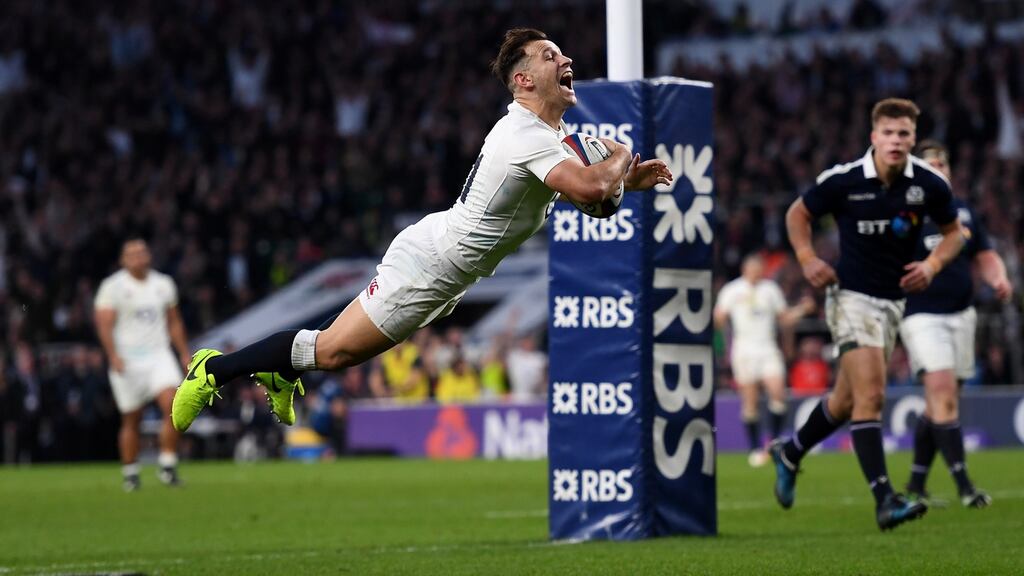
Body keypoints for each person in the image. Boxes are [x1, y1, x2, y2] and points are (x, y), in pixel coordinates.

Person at [171, 28, 673, 431]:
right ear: (522, 80)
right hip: (431, 265)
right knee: (333, 351)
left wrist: (625, 180)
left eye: (562, 55)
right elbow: (588, 190)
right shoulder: (525, 135)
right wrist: (622, 155)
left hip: (447, 268)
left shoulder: (550, 136)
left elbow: (588, 196)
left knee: (331, 350)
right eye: (549, 56)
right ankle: (212, 370)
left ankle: (281, 369)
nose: (565, 62)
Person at [770, 98, 964, 531]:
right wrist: (806, 259)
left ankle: (790, 453)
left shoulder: (929, 183)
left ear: (913, 139)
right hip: (849, 296)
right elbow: (797, 214)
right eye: (889, 133)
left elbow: (955, 234)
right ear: (873, 137)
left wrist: (933, 266)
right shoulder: (844, 181)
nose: (896, 141)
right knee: (872, 394)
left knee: (844, 402)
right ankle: (884, 499)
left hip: (893, 302)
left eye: (904, 134)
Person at [900, 140, 1012, 508]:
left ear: (949, 171)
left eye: (941, 165)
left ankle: (916, 482)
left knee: (941, 405)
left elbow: (985, 253)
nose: (937, 171)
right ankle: (965, 487)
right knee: (944, 396)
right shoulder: (906, 213)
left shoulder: (962, 212)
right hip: (921, 315)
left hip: (963, 315)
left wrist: (999, 278)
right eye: (928, 165)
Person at [94, 238, 192, 491]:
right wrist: (113, 355)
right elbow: (104, 324)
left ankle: (168, 464)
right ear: (123, 260)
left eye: (142, 251)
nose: (139, 256)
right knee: (131, 418)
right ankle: (131, 471)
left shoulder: (163, 284)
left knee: (173, 405)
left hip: (159, 355)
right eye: (133, 253)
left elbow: (174, 321)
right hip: (128, 359)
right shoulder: (112, 287)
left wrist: (183, 353)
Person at [714, 253, 815, 467]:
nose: (755, 273)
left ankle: (775, 443)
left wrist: (802, 310)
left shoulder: (770, 289)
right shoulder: (732, 290)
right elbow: (719, 318)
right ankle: (754, 448)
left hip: (768, 348)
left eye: (758, 269)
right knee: (750, 401)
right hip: (744, 350)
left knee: (778, 393)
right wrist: (725, 345)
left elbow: (784, 318)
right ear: (744, 269)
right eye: (752, 269)